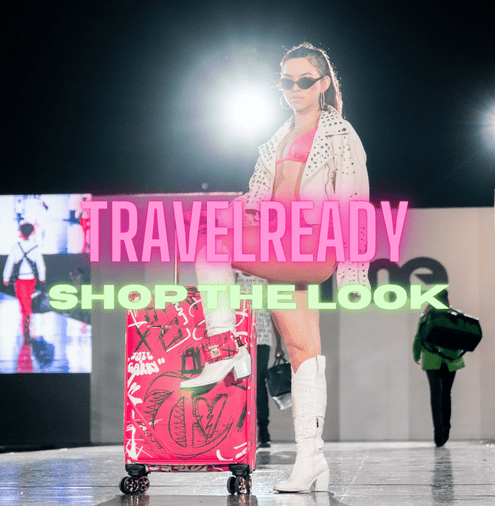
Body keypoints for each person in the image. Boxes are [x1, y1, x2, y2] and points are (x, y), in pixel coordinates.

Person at [180, 42, 370, 492]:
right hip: (278, 248)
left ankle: (226, 349)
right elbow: (258, 198)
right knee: (303, 350)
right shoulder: (274, 139)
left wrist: (355, 274)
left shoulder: (339, 134)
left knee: (210, 246)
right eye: (286, 81)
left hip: (310, 245)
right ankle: (311, 460)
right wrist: (236, 211)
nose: (294, 88)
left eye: (304, 80)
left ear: (323, 84)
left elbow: (354, 200)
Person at [234, 270, 283, 448]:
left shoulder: (264, 280)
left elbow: (274, 313)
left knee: (259, 382)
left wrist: (278, 343)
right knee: (239, 381)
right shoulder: (235, 278)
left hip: (262, 338)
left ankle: (263, 428)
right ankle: (240, 428)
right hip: (240, 338)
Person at [413, 289, 464, 447]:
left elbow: (418, 338)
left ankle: (438, 433)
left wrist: (416, 356)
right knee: (446, 394)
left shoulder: (426, 317)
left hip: (431, 360)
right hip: (451, 360)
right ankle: (446, 429)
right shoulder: (454, 315)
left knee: (435, 395)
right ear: (446, 299)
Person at [3, 222, 46, 342]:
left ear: (21, 232)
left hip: (20, 280)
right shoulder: (35, 247)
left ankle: (26, 321)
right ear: (31, 232)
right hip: (31, 279)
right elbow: (40, 264)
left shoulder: (16, 247)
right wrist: (42, 277)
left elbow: (10, 263)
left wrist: (6, 278)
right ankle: (26, 321)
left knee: (23, 300)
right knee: (26, 300)